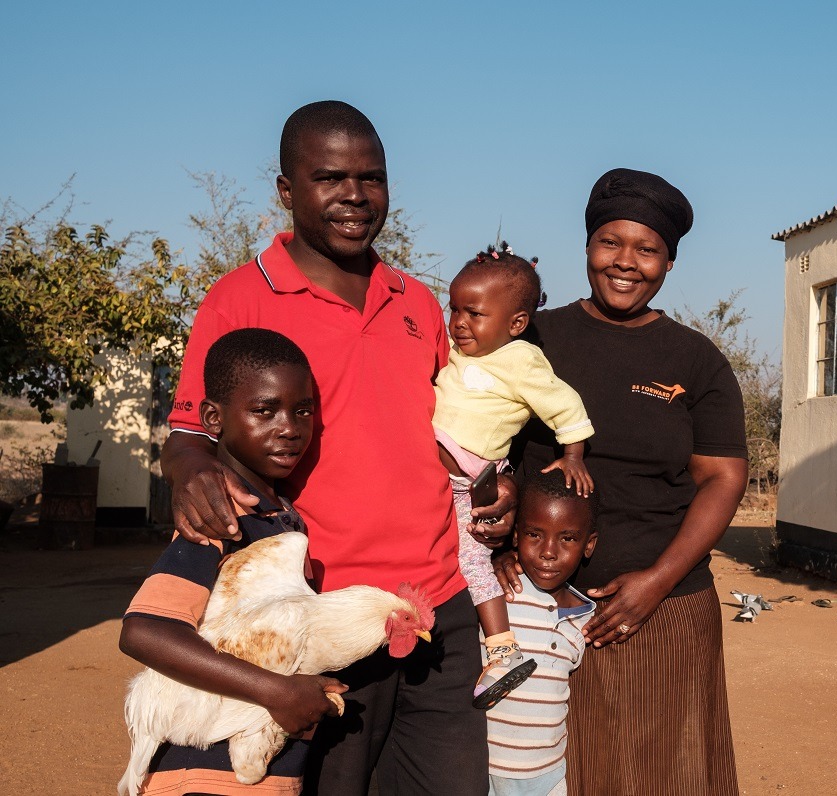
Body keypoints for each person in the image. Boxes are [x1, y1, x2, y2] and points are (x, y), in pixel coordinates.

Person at [160, 100, 511, 796]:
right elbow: (190, 430)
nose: (356, 195)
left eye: (372, 178)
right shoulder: (240, 299)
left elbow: (457, 432)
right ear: (288, 192)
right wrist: (190, 468)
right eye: (330, 178)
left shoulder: (416, 302)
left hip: (435, 608)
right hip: (318, 619)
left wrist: (501, 484)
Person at [499, 168, 748, 794]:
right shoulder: (533, 339)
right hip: (541, 609)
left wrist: (656, 583)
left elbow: (723, 477)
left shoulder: (695, 360)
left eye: (648, 249)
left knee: (675, 771)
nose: (626, 263)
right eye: (611, 242)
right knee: (554, 770)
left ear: (669, 262)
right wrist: (495, 548)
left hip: (666, 608)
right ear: (587, 245)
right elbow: (478, 445)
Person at [120, 328, 334, 795]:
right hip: (206, 775)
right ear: (213, 419)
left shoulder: (278, 517)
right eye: (264, 410)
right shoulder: (221, 518)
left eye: (303, 411)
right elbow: (144, 630)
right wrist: (276, 691)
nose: (289, 427)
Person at [433, 243, 594, 710]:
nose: (460, 322)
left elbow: (565, 405)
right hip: (433, 479)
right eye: (455, 309)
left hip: (469, 484)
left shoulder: (522, 361)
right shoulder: (456, 352)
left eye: (475, 313)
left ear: (516, 324)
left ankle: (502, 648)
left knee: (470, 559)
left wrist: (574, 455)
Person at [485, 469, 598, 796]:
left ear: (588, 544)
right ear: (516, 537)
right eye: (535, 534)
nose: (549, 551)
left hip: (547, 778)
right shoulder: (499, 592)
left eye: (567, 538)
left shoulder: (584, 617)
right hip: (482, 772)